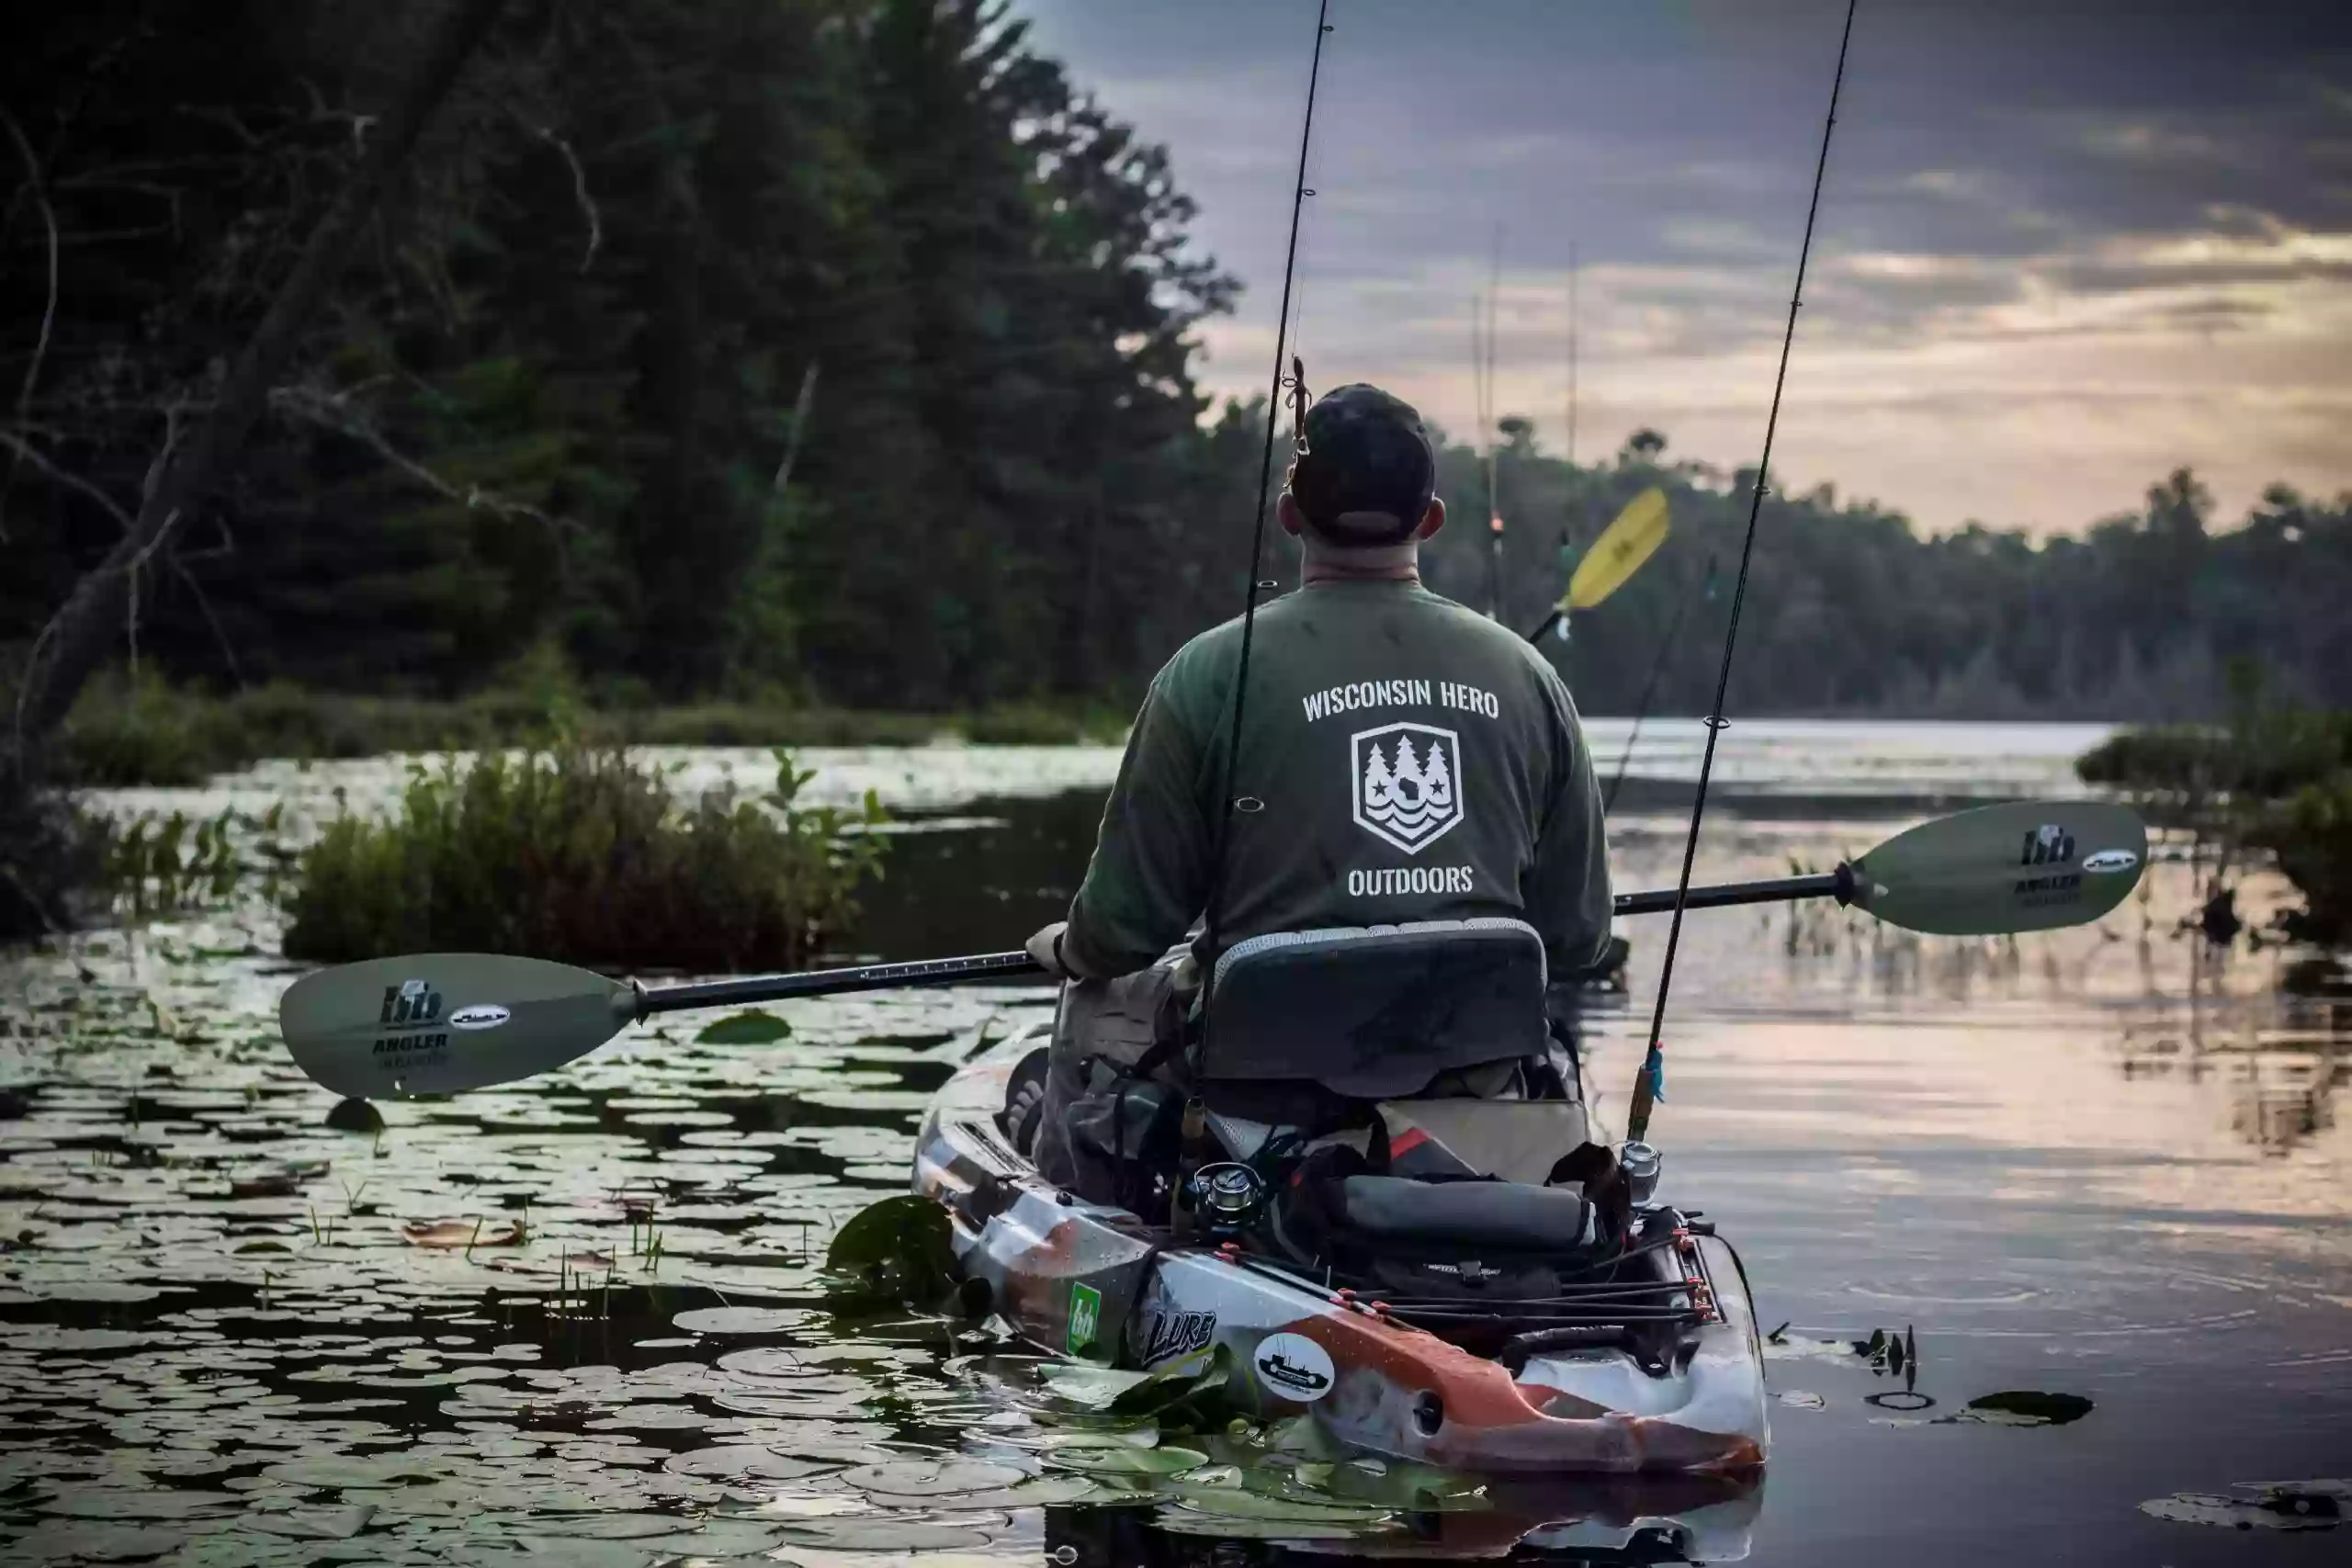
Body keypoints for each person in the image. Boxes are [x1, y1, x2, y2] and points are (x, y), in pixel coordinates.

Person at [1021, 383, 1613, 1198]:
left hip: (1257, 1078)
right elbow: (1577, 940)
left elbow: (1123, 932)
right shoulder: (1532, 677)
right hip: (1465, 1077)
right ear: (1429, 519)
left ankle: (1077, 1232)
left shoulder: (1205, 673)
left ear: (1290, 514)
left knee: (1090, 1003)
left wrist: (1069, 950)